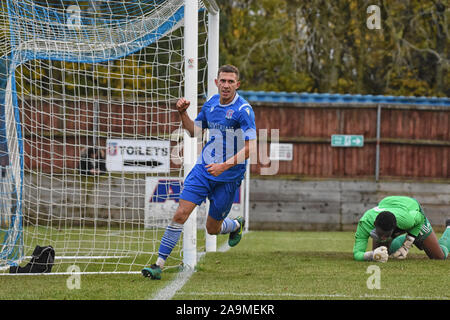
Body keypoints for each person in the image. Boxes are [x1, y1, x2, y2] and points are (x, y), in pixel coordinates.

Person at [142, 64, 257, 280]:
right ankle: (158, 264)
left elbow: (251, 148)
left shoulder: (244, 111)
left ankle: (235, 225)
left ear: (237, 85)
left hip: (228, 177)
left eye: (231, 81)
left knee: (212, 228)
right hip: (203, 169)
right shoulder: (211, 104)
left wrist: (224, 166)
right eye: (222, 81)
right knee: (180, 214)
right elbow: (194, 131)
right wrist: (182, 113)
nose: (226, 85)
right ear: (216, 82)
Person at [353, 195, 450, 263]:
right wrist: (371, 254)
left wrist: (406, 245)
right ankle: (409, 238)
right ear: (375, 224)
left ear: (395, 227)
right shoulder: (364, 224)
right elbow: (357, 253)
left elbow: (420, 218)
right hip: (389, 204)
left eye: (386, 235)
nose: (382, 238)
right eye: (380, 233)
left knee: (438, 256)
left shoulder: (406, 220)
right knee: (381, 255)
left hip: (411, 208)